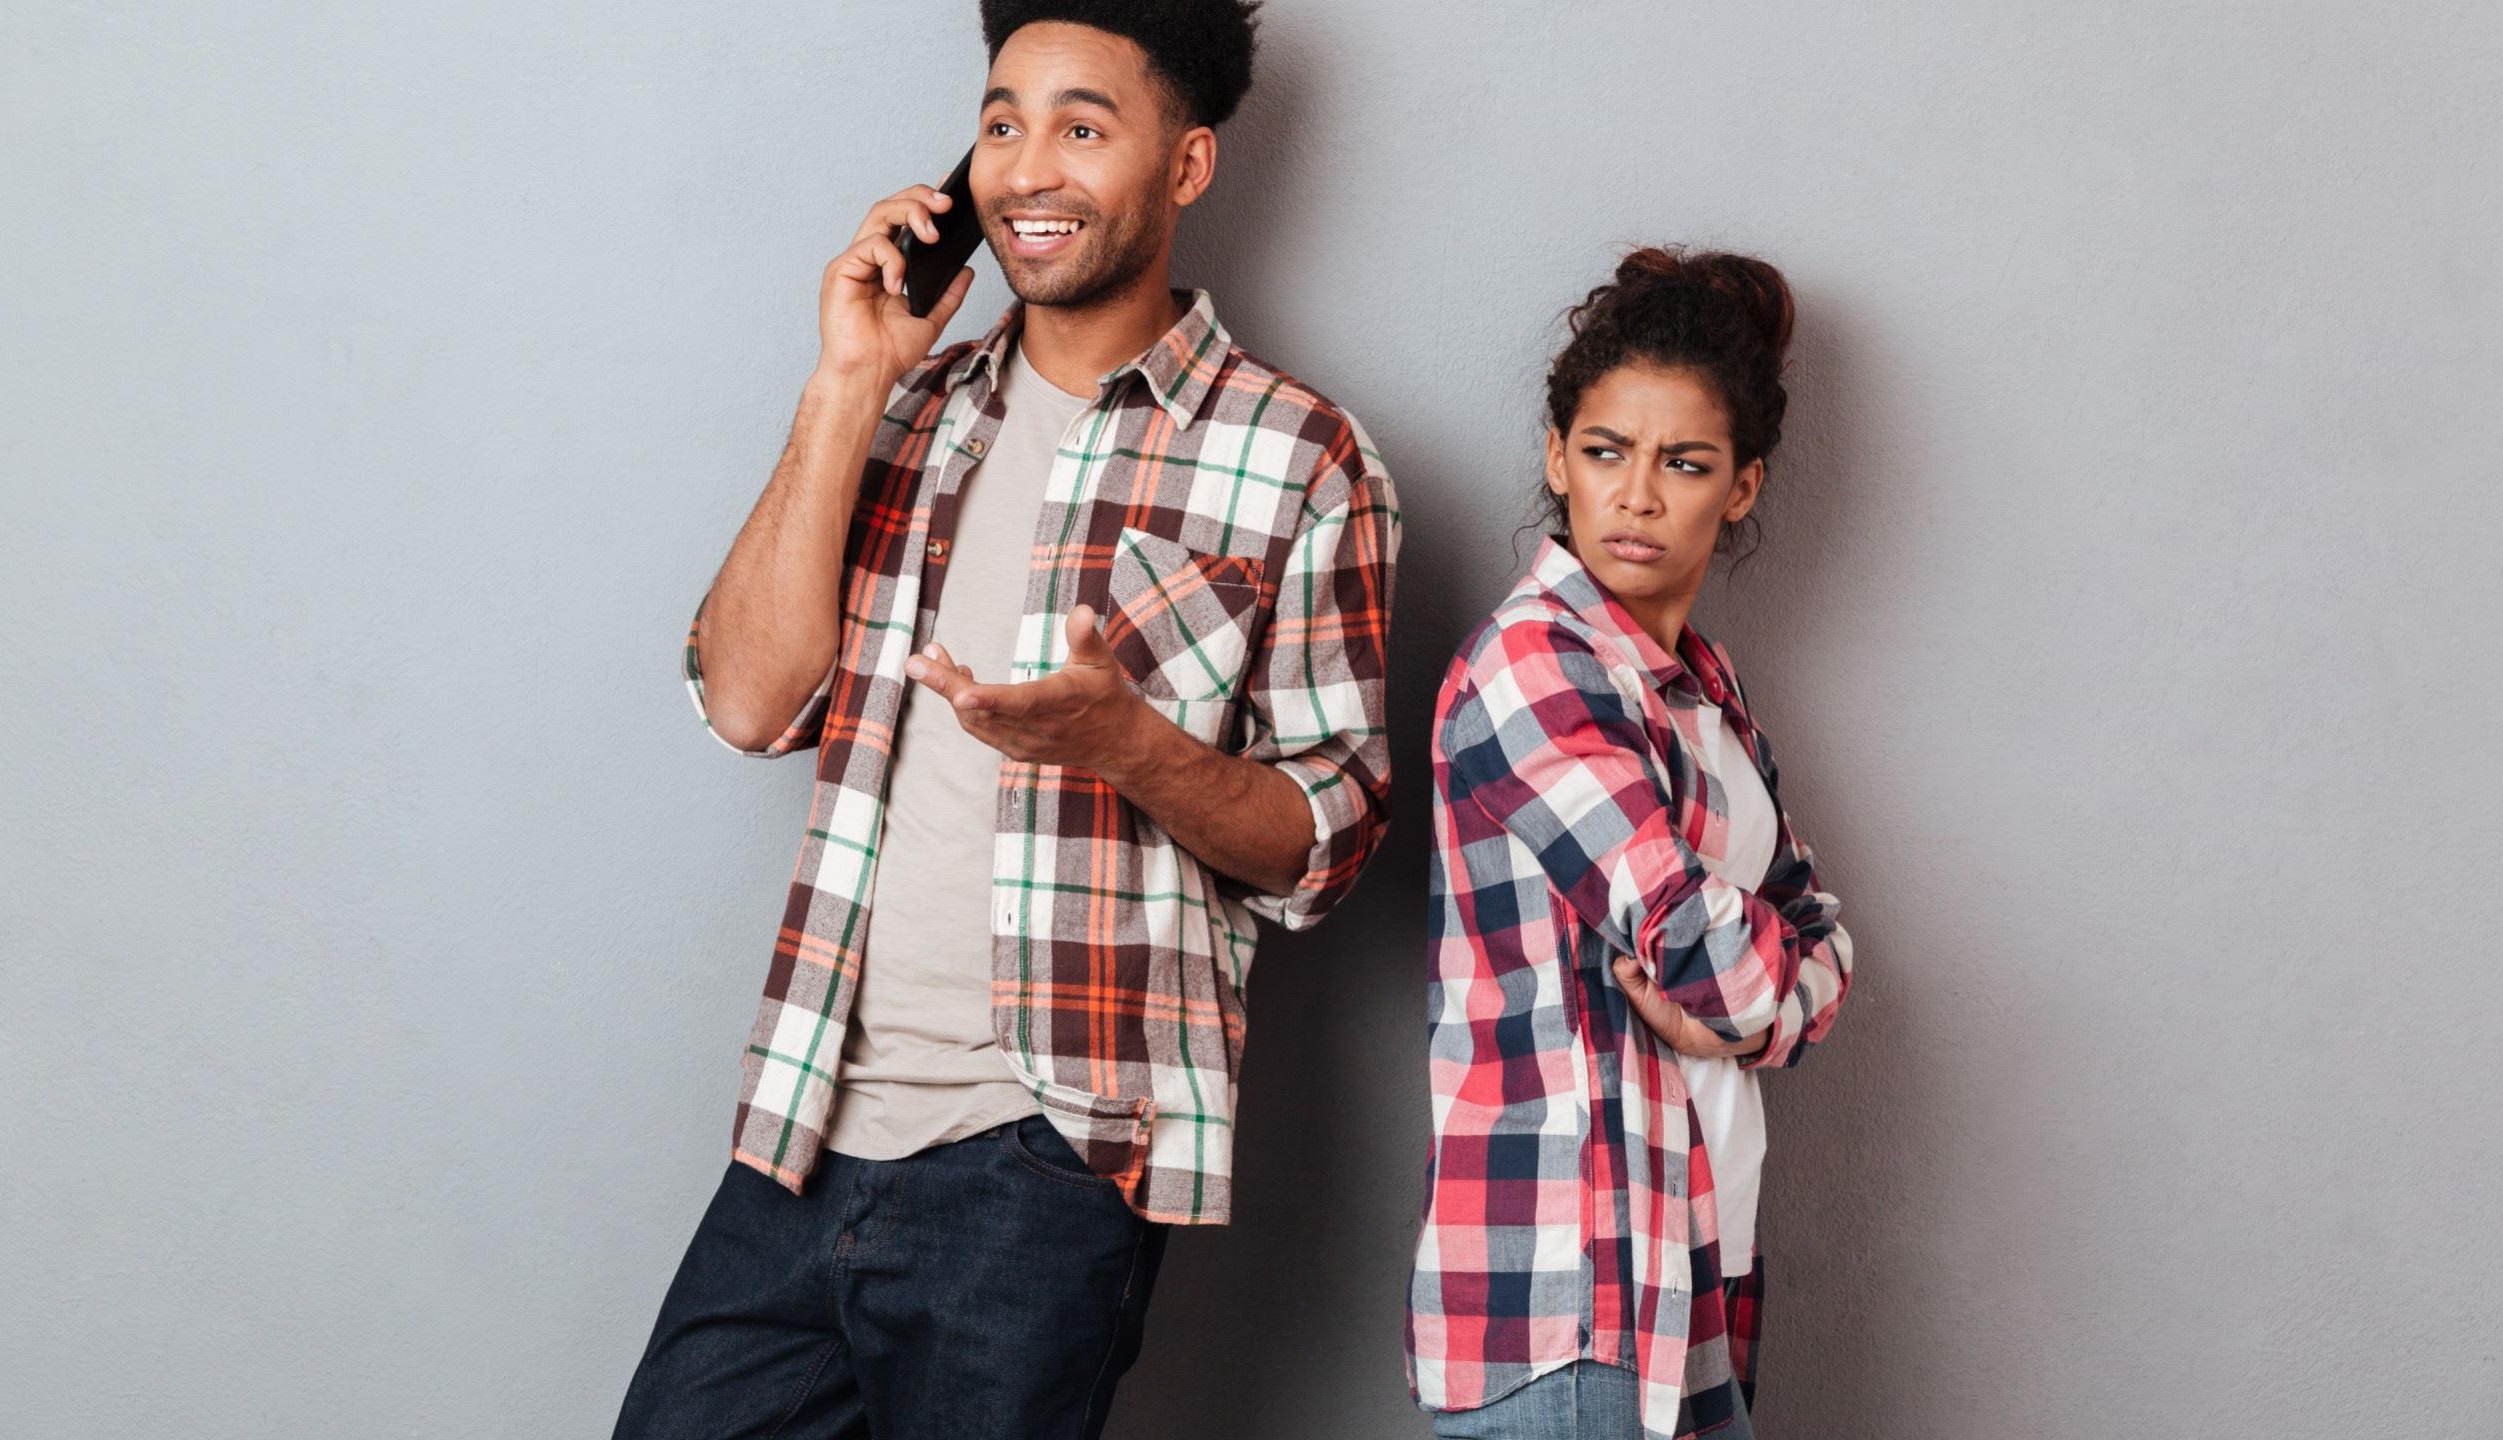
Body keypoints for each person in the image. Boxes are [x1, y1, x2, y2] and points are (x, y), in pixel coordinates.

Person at [614, 2, 1400, 1435]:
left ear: (1188, 165)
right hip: (803, 1126)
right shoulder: (907, 415)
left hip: (1038, 1167)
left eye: (1083, 127)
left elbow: (1325, 843)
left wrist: (1129, 746)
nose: (1026, 167)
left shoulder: (1300, 459)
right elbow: (744, 701)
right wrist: (849, 378)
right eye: (999, 121)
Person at [1408, 247, 1854, 1440]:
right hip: (1571, 1299)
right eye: (1606, 452)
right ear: (1559, 458)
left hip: (1696, 1279)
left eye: (1685, 463)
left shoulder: (1701, 692)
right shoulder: (1532, 661)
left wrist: (1759, 988)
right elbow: (1695, 938)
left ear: (1742, 487)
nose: (1638, 495)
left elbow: (1824, 941)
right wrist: (1760, 984)